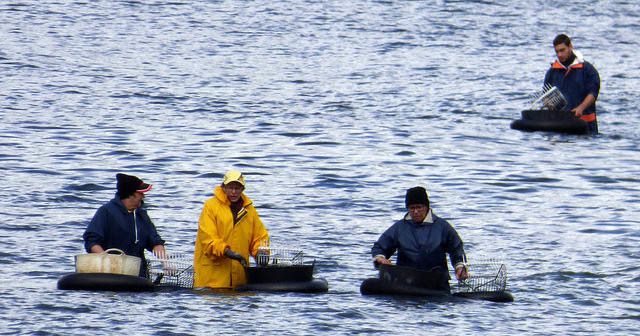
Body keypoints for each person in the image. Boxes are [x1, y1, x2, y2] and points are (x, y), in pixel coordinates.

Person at [371, 186, 468, 290]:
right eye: (412, 208)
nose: (416, 211)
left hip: (437, 283)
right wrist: (380, 258)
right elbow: (379, 247)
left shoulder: (442, 227)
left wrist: (459, 267)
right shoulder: (399, 228)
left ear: (426, 207)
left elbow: (456, 248)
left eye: (419, 207)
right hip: (405, 282)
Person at [193, 170, 269, 289]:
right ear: (223, 187)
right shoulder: (211, 207)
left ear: (242, 189)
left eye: (237, 188)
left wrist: (261, 253)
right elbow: (208, 240)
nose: (233, 192)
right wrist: (228, 252)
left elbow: (260, 237)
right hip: (211, 283)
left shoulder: (249, 210)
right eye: (230, 187)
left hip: (239, 282)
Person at [83, 173, 166, 277]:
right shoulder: (106, 212)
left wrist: (165, 263)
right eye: (140, 193)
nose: (143, 196)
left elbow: (155, 241)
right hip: (109, 273)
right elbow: (92, 241)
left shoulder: (142, 215)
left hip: (137, 274)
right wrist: (107, 260)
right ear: (130, 195)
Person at [544, 33, 601, 134]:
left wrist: (581, 108)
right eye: (557, 51)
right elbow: (547, 96)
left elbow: (593, 93)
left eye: (562, 50)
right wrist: (548, 104)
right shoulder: (552, 72)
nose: (559, 54)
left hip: (586, 126)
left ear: (570, 46)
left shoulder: (588, 70)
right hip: (560, 126)